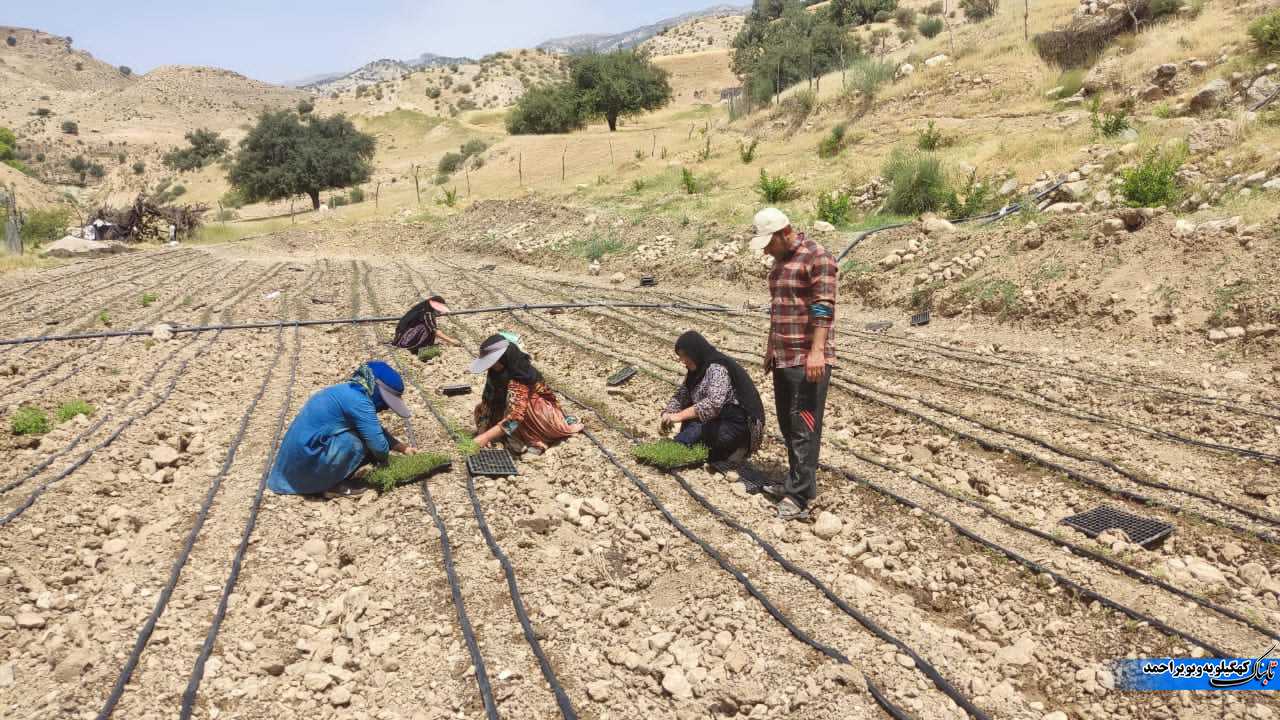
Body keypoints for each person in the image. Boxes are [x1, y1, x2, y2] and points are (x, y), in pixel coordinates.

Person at [754, 207, 838, 520]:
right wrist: (770, 349)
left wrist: (817, 351)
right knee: (788, 425)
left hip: (807, 358)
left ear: (782, 233)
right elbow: (779, 310)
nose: (765, 249)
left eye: (767, 242)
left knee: (805, 426)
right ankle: (795, 482)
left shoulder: (818, 257)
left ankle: (800, 496)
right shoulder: (779, 264)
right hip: (783, 356)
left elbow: (823, 308)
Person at [267, 360, 418, 496]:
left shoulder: (349, 391)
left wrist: (403, 448)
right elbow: (378, 445)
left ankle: (328, 475)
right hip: (306, 459)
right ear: (377, 390)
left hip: (296, 458)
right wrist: (386, 462)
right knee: (354, 443)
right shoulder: (360, 402)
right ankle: (332, 486)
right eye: (386, 401)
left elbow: (374, 429)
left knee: (362, 438)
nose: (385, 407)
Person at [660, 331, 765, 469]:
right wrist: (667, 413)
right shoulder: (695, 370)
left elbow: (713, 404)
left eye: (685, 356)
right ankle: (685, 446)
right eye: (680, 357)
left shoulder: (717, 368)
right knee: (693, 433)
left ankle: (739, 449)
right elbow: (682, 395)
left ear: (695, 352)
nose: (682, 361)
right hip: (716, 420)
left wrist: (677, 416)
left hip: (738, 423)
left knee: (698, 437)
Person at [469, 333, 583, 455]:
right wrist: (482, 431)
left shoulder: (519, 376)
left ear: (502, 359)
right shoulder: (495, 372)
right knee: (481, 409)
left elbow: (515, 417)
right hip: (513, 413)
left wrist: (485, 437)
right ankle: (514, 438)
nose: (488, 366)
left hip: (539, 416)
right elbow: (488, 401)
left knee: (525, 407)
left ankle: (537, 440)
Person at [391, 293, 460, 352]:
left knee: (428, 327)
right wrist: (451, 340)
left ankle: (420, 344)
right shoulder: (427, 313)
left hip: (402, 335)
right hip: (404, 339)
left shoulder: (423, 307)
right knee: (426, 328)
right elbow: (434, 330)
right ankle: (416, 346)